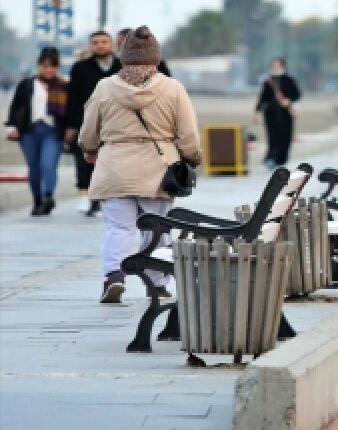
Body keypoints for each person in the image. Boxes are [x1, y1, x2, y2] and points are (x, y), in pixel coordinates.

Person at [78, 26, 201, 303]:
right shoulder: (172, 88)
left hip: (115, 166)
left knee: (118, 228)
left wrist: (89, 150)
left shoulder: (105, 86)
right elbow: (188, 132)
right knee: (156, 228)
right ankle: (156, 283)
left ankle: (114, 276)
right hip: (158, 168)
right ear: (156, 59)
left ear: (124, 57)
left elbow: (89, 129)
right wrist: (192, 157)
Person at [5, 47, 69, 216]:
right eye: (44, 66)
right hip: (29, 131)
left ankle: (48, 196)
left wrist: (71, 129)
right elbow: (15, 107)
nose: (48, 69)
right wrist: (11, 126)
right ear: (38, 66)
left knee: (48, 164)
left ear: (57, 67)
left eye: (52, 66)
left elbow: (70, 111)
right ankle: (37, 201)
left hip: (53, 131)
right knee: (34, 167)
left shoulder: (63, 86)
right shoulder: (26, 84)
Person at [65, 31, 120, 216]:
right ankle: (85, 194)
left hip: (115, 122)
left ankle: (102, 199)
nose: (100, 45)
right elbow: (72, 98)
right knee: (84, 158)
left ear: (111, 44)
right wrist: (71, 125)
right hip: (86, 120)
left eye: (104, 42)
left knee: (110, 160)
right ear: (90, 46)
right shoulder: (80, 68)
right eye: (95, 42)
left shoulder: (122, 67)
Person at [255, 57, 301, 167]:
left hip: (285, 113)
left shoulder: (289, 80)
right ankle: (271, 158)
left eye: (277, 64)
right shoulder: (268, 81)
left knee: (285, 136)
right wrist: (257, 111)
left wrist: (288, 100)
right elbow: (263, 97)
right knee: (272, 136)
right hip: (271, 113)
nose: (275, 66)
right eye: (273, 64)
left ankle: (282, 160)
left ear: (282, 65)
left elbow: (297, 94)